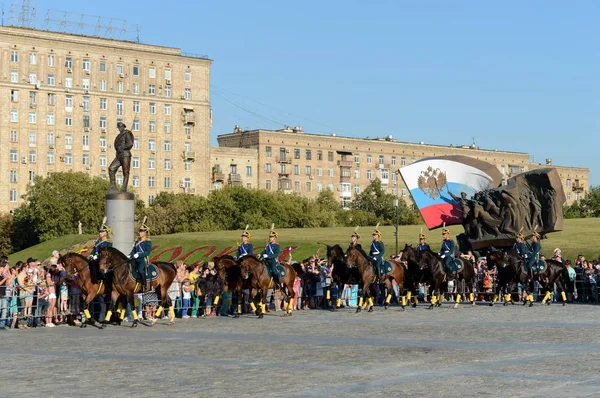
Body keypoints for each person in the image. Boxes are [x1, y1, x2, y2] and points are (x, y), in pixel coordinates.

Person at [108, 122, 134, 192]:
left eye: (120, 127)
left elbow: (130, 144)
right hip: (119, 156)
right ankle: (113, 186)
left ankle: (124, 188)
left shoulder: (127, 134)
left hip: (125, 155)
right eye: (118, 127)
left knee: (125, 172)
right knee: (111, 168)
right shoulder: (119, 136)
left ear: (123, 127)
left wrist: (123, 147)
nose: (119, 128)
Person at [128, 221, 152, 292]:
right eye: (140, 231)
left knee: (141, 270)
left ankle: (144, 285)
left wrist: (139, 254)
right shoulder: (137, 241)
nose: (140, 233)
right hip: (135, 258)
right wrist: (130, 255)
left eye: (142, 232)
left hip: (142, 259)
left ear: (145, 233)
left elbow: (147, 252)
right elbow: (133, 250)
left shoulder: (148, 241)